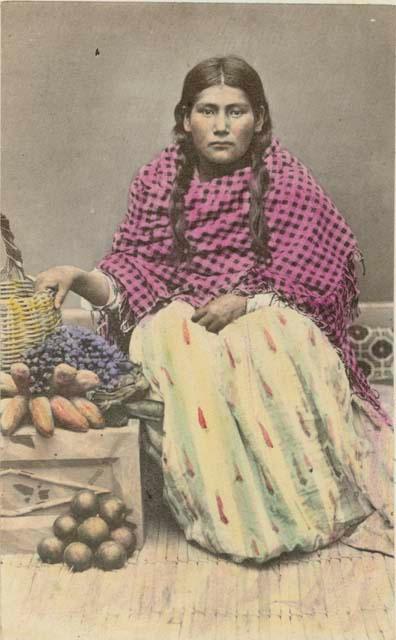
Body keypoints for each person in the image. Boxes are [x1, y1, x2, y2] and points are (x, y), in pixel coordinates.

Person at [36, 55, 393, 564]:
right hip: (184, 315)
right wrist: (76, 276)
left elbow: (315, 275)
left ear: (260, 119)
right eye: (207, 111)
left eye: (236, 111)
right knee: (176, 339)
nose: (222, 125)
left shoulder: (285, 179)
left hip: (270, 308)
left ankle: (295, 509)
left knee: (264, 340)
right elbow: (132, 275)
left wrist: (247, 301)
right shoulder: (158, 180)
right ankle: (234, 517)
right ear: (185, 119)